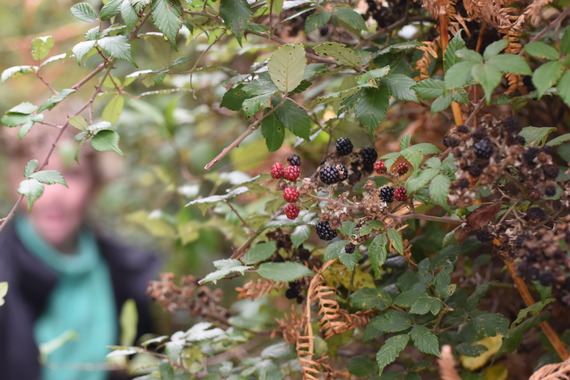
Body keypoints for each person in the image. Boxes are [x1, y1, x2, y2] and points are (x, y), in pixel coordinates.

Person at [0, 114, 160, 380]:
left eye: (72, 174)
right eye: (39, 172)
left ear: (96, 183)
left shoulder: (131, 274)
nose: (54, 193)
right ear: (15, 182)